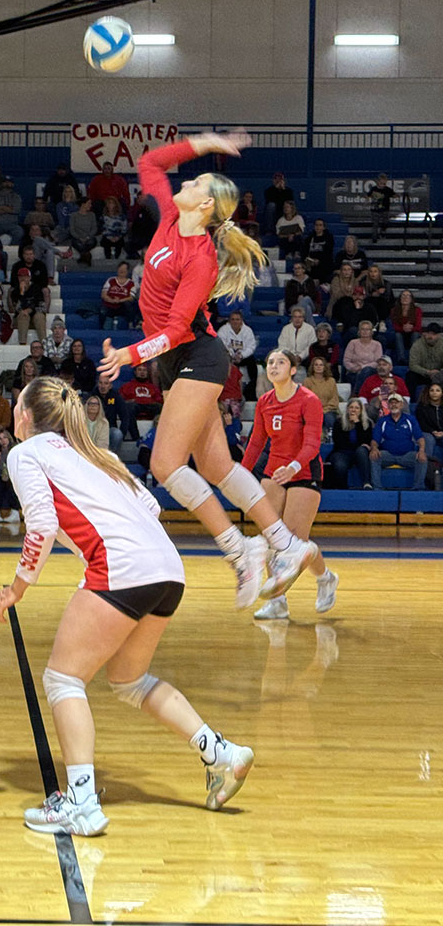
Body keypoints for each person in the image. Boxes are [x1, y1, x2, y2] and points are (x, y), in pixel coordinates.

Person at [0, 376, 254, 836]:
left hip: (123, 567)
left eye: (17, 404)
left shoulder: (25, 453)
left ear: (26, 416)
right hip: (167, 567)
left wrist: (17, 589)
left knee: (62, 678)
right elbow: (149, 507)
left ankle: (82, 803)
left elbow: (42, 527)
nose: (15, 411)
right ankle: (220, 753)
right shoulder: (99, 454)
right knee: (129, 680)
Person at [96, 133, 319, 609]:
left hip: (198, 355)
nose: (187, 181)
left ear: (205, 205)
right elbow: (151, 162)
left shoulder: (200, 259)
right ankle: (285, 543)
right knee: (217, 466)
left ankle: (240, 551)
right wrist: (205, 142)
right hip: (178, 361)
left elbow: (177, 329)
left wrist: (129, 356)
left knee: (164, 463)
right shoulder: (173, 215)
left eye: (196, 181)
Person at [242, 350, 339, 621]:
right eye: (270, 362)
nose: (273, 366)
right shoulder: (264, 401)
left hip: (304, 470)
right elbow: (257, 443)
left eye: (280, 362)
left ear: (293, 370)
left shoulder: (309, 400)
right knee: (272, 538)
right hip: (273, 471)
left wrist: (293, 467)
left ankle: (326, 578)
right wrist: (239, 475)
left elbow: (312, 444)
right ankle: (278, 602)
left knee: (297, 543)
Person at [370, 393, 428, 491]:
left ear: (401, 405)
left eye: (396, 403)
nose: (394, 405)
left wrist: (421, 450)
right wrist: (374, 448)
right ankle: (377, 488)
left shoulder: (410, 419)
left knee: (422, 459)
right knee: (374, 457)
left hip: (407, 455)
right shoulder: (382, 421)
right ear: (388, 405)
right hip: (388, 455)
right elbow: (375, 440)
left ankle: (418, 488)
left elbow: (420, 438)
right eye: (391, 403)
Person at [328, 398, 373, 489]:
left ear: (361, 410)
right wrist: (359, 445)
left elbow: (366, 440)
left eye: (357, 408)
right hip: (342, 452)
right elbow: (340, 442)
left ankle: (366, 483)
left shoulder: (367, 423)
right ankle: (343, 489)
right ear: (347, 409)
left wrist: (357, 424)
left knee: (362, 450)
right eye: (351, 407)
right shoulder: (339, 422)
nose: (353, 410)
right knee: (340, 464)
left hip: (358, 454)